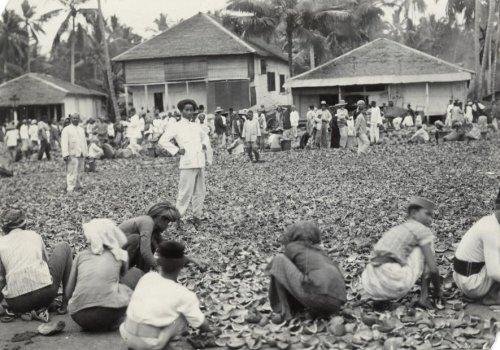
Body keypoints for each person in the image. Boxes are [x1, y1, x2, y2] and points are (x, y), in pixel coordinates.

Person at [120, 241, 215, 350]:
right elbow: (202, 325)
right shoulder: (183, 293)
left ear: (159, 262)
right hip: (151, 343)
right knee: (181, 317)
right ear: (181, 264)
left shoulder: (147, 278)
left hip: (127, 335)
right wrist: (210, 330)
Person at [361, 197, 441, 309]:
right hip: (392, 281)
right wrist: (438, 291)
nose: (430, 219)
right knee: (425, 248)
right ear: (414, 213)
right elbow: (433, 269)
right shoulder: (422, 229)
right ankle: (424, 298)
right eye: (427, 214)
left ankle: (380, 301)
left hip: (369, 281)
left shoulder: (397, 228)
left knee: (398, 251)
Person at [0, 209, 72, 321]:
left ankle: (26, 311)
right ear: (24, 224)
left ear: (4, 228)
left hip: (16, 303)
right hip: (45, 295)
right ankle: (65, 304)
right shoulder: (34, 236)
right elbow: (47, 267)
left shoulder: (1, 242)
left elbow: (2, 277)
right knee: (64, 246)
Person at [266, 221, 346, 321]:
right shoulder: (321, 252)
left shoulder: (292, 247)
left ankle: (284, 312)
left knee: (278, 260)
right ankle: (309, 309)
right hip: (336, 303)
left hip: (316, 296)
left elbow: (283, 275)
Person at [66, 219, 134, 332]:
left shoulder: (81, 255)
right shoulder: (121, 255)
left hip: (79, 316)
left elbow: (68, 292)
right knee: (125, 287)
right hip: (109, 314)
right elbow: (121, 278)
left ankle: (93, 323)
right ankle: (118, 321)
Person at [159, 99, 209, 228]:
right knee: (184, 192)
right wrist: (176, 150)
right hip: (187, 162)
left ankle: (197, 216)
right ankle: (177, 218)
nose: (189, 112)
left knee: (200, 191)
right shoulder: (176, 125)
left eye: (191, 110)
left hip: (199, 161)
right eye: (186, 110)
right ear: (181, 111)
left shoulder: (196, 125)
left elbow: (205, 136)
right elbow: (163, 140)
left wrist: (204, 144)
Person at [453, 189, 500, 304]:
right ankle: (494, 296)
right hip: (472, 285)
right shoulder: (491, 229)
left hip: (463, 278)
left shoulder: (488, 220)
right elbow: (494, 272)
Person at [61, 114, 88, 193]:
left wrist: (86, 153)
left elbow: (84, 142)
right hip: (71, 153)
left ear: (79, 119)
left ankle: (79, 185)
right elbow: (64, 143)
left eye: (77, 118)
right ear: (71, 119)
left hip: (81, 153)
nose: (75, 119)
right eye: (74, 118)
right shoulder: (66, 129)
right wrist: (65, 154)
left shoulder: (81, 129)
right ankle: (70, 188)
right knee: (72, 171)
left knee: (80, 170)